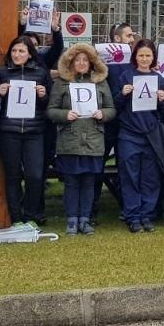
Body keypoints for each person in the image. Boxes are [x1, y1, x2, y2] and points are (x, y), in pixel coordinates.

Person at [48, 43, 115, 235]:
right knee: (71, 182)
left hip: (93, 139)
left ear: (92, 62)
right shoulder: (61, 83)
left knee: (89, 182)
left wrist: (103, 114)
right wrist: (64, 115)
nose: (82, 63)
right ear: (70, 62)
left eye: (85, 60)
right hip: (69, 139)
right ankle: (71, 220)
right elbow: (51, 110)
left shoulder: (100, 82)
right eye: (77, 60)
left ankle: (85, 219)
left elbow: (112, 109)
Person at [112, 40, 164, 233]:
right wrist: (123, 94)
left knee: (150, 178)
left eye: (148, 56)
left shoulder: (159, 78)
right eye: (141, 55)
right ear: (135, 56)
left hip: (151, 135)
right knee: (130, 176)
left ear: (153, 58)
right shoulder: (126, 76)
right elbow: (115, 105)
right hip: (129, 134)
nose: (144, 59)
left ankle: (147, 214)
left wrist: (163, 100)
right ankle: (133, 216)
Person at [0, 36, 51, 227]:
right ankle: (16, 218)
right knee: (12, 175)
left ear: (30, 54)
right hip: (8, 131)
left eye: (21, 51)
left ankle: (30, 215)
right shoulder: (2, 73)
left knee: (35, 175)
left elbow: (48, 105)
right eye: (14, 51)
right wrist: (0, 93)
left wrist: (43, 96)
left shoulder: (41, 73)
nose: (17, 54)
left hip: (34, 131)